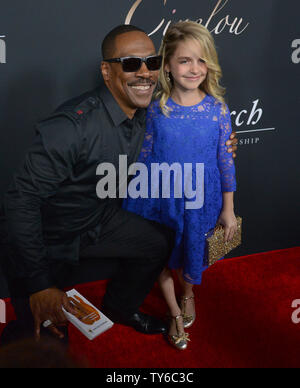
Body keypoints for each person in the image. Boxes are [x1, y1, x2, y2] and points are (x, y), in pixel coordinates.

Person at [2, 24, 238, 344]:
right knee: (46, 343)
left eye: (151, 62)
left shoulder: (146, 112)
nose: (144, 73)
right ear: (107, 71)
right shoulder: (72, 126)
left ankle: (121, 309)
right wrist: (38, 284)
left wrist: (223, 142)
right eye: (130, 64)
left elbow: (183, 120)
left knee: (158, 241)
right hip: (48, 236)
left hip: (99, 217)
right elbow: (20, 202)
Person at [123, 22, 237, 350]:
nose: (194, 68)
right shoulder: (156, 109)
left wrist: (228, 209)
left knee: (192, 256)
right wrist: (137, 202)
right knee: (158, 257)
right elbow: (144, 156)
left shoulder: (217, 110)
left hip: (203, 200)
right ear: (168, 65)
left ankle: (188, 293)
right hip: (160, 199)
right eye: (185, 60)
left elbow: (226, 160)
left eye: (202, 60)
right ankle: (173, 311)